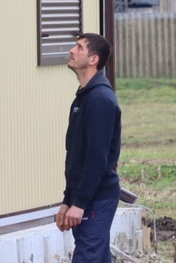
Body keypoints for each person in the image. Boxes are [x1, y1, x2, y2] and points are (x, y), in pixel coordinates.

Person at [56, 33, 123, 262]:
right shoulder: (83, 98)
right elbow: (75, 157)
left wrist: (80, 204)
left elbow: (96, 159)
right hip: (84, 199)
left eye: (79, 47)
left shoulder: (100, 100)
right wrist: (68, 201)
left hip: (97, 198)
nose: (72, 50)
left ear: (93, 59)